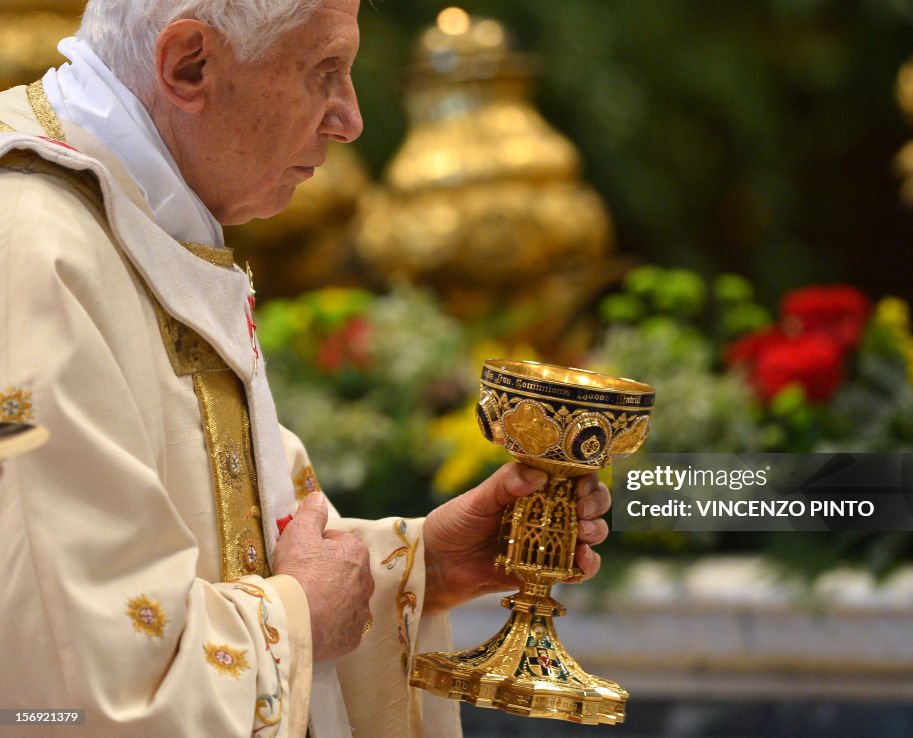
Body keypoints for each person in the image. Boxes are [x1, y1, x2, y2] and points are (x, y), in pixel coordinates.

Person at [0, 1, 612, 736]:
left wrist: (420, 570)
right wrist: (300, 616)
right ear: (189, 64)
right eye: (325, 72)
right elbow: (68, 682)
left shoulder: (135, 217)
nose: (349, 119)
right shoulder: (31, 248)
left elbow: (224, 554)